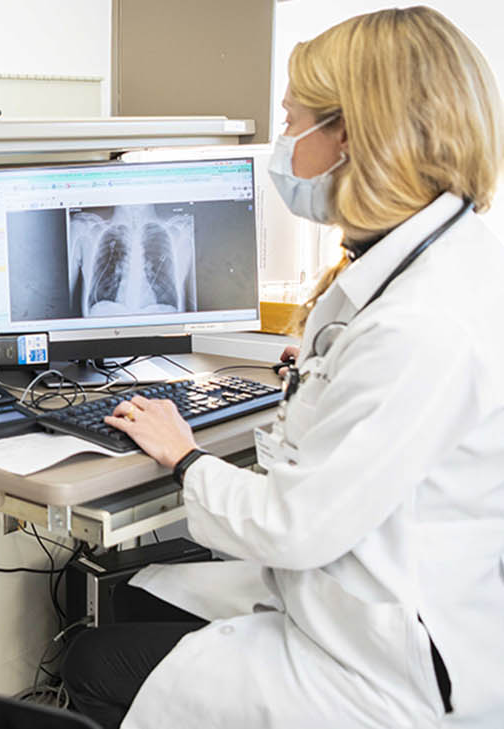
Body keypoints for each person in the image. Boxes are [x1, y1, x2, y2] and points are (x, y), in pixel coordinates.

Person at [60, 7, 504, 728]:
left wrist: (184, 457)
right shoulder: (442, 261)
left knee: (91, 661)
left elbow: (297, 525)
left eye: (293, 119)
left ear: (349, 136)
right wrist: (324, 376)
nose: (284, 142)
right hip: (389, 596)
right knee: (141, 591)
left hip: (386, 668)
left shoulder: (419, 324)